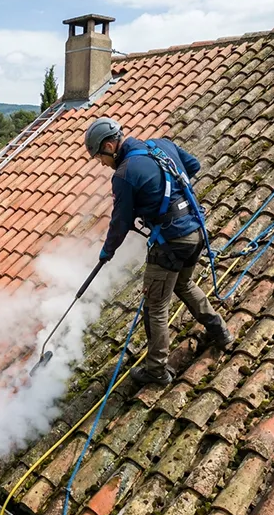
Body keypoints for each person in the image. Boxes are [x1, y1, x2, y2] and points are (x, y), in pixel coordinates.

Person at [85, 117, 232, 386]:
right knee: (185, 284)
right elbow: (194, 166)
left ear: (109, 146)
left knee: (156, 307)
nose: (102, 164)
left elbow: (120, 223)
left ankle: (156, 370)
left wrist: (106, 252)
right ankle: (219, 330)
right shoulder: (161, 145)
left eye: (99, 158)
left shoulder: (124, 175)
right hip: (196, 232)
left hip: (171, 244)